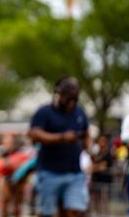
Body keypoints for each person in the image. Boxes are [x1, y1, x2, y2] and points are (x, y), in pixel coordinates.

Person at [28, 76, 89, 217]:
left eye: (75, 100)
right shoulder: (45, 111)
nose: (71, 104)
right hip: (50, 172)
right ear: (59, 94)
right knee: (48, 213)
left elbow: (86, 133)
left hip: (74, 173)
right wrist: (61, 137)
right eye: (68, 100)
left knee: (76, 211)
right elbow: (34, 134)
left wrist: (86, 147)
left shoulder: (80, 112)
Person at [90, 134, 113, 214]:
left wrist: (91, 168)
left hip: (105, 182)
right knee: (96, 202)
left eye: (103, 141)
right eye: (100, 141)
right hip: (96, 181)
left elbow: (102, 167)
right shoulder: (98, 153)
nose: (101, 143)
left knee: (104, 202)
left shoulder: (108, 154)